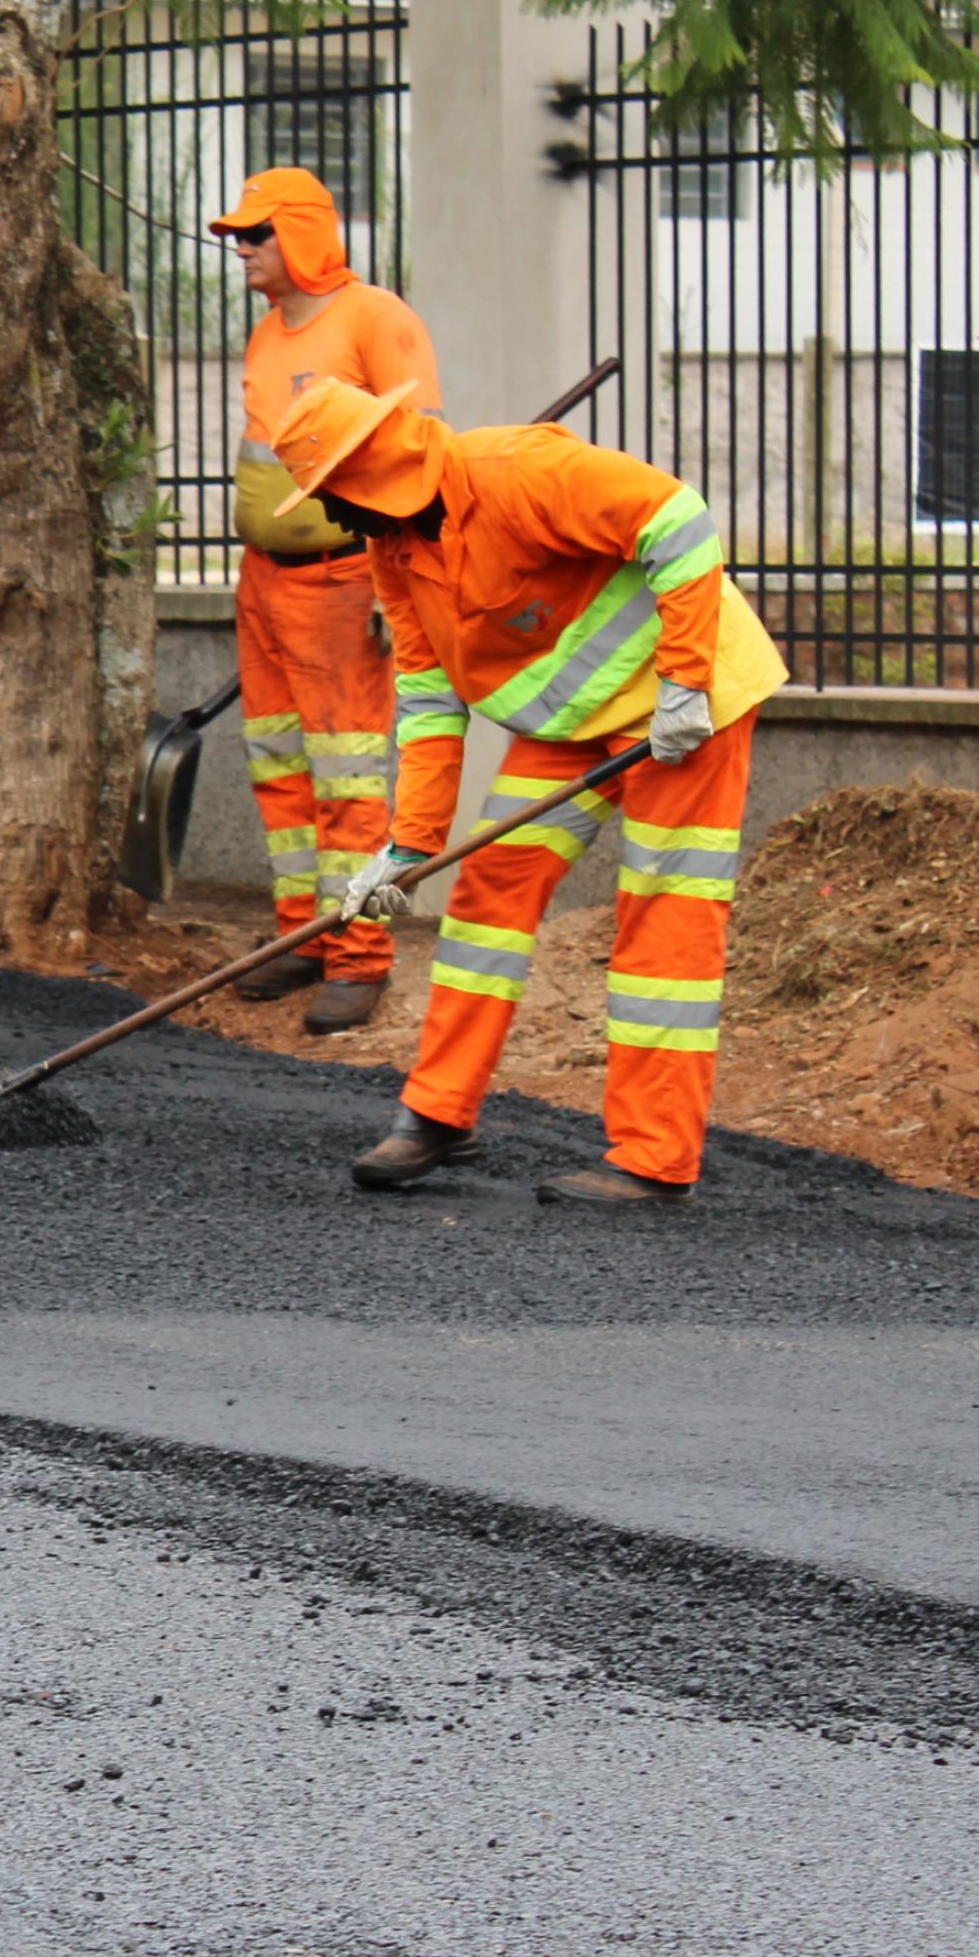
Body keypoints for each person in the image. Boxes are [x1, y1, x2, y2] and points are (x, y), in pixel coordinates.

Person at [266, 376, 790, 1207]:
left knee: (664, 916)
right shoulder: (395, 554)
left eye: (332, 494)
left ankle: (655, 1159)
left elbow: (677, 519)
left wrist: (687, 681)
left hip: (685, 711)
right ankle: (437, 1113)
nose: (333, 517)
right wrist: (408, 847)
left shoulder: (518, 472)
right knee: (487, 893)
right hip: (568, 725)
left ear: (369, 474)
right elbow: (430, 700)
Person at [209, 167, 432, 1033]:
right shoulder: (268, 334)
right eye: (235, 236)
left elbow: (418, 451)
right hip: (263, 583)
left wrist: (396, 581)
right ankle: (302, 933)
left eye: (255, 234)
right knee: (281, 768)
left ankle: (360, 954)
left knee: (348, 777)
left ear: (301, 233)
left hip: (344, 580)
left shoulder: (377, 320)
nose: (241, 249)